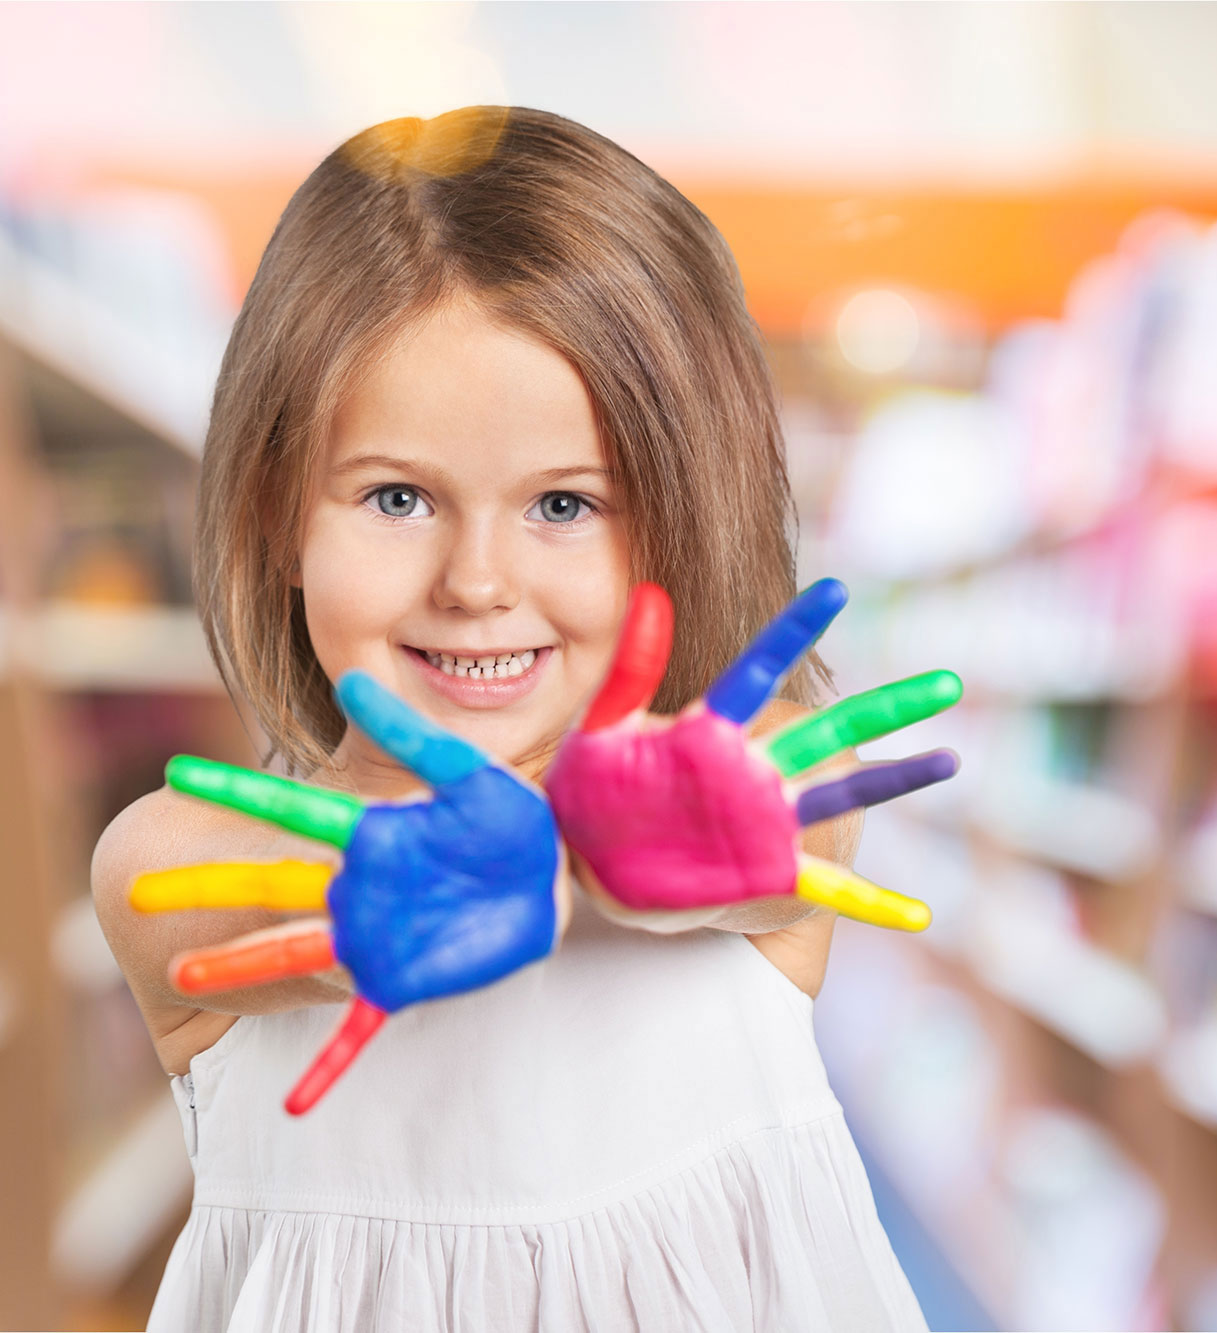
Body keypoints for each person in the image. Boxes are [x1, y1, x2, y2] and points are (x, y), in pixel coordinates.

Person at [92, 106, 929, 1332]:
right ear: (276, 517)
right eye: (395, 496)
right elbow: (206, 894)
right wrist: (363, 894)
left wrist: (646, 845)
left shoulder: (742, 806)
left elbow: (799, 824)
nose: (476, 581)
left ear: (679, 511)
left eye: (563, 505)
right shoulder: (182, 855)